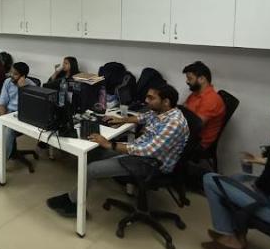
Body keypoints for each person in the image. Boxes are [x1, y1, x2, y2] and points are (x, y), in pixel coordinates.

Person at [46, 84, 189, 217]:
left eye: (151, 98)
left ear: (166, 101)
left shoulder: (173, 123)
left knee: (91, 168)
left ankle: (74, 205)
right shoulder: (161, 111)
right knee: (93, 152)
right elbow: (142, 117)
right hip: (140, 151)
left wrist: (110, 144)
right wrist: (121, 120)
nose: (146, 100)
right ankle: (76, 196)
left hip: (151, 164)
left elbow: (146, 150)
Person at [201, 101, 270, 249]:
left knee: (210, 179)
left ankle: (228, 235)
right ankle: (239, 235)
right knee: (238, 177)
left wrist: (251, 186)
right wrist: (256, 159)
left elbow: (268, 184)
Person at [0, 62, 35, 188]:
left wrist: (22, 89)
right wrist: (3, 119)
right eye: (11, 72)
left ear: (23, 76)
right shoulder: (7, 82)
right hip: (7, 112)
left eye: (15, 74)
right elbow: (2, 102)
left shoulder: (31, 86)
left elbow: (30, 108)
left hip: (21, 116)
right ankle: (8, 148)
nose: (12, 75)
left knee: (7, 133)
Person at [183, 61, 225, 149]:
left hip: (198, 142)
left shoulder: (211, 100)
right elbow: (183, 109)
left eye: (190, 78)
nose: (187, 81)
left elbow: (195, 126)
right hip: (189, 133)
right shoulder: (196, 93)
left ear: (202, 79)